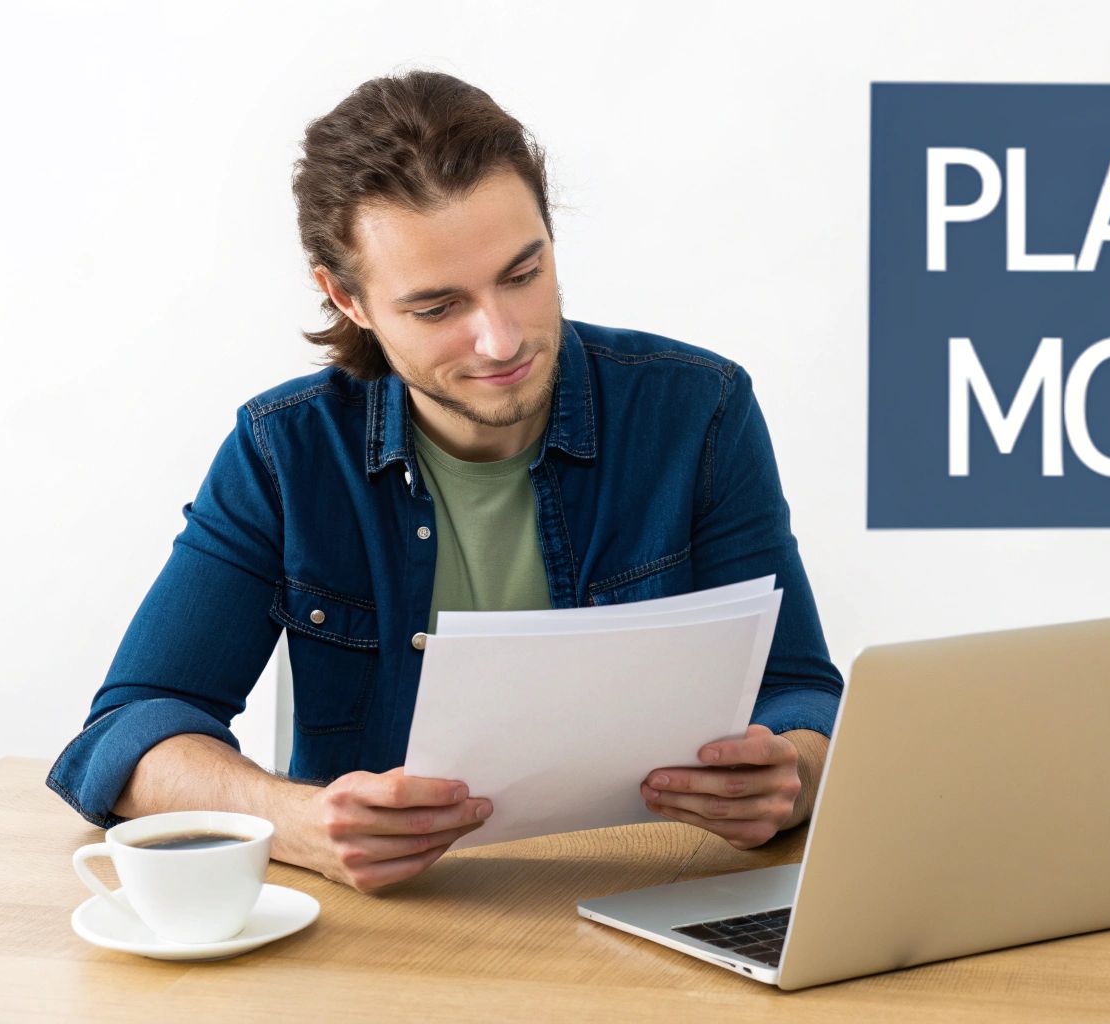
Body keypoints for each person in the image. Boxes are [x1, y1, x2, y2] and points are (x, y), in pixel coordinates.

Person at [46, 71, 843, 893]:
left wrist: (790, 777)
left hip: (653, 897)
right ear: (345, 297)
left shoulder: (698, 413)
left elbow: (803, 692)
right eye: (437, 308)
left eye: (523, 274)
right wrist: (297, 822)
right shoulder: (284, 453)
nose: (501, 340)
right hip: (394, 928)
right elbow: (131, 732)